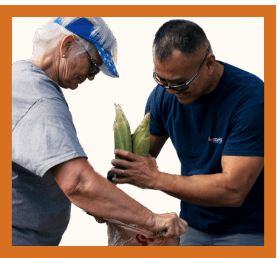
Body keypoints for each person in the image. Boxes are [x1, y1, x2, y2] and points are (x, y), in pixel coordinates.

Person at [12, 17, 188, 246]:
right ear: (66, 46)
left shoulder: (17, 77)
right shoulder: (40, 99)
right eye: (94, 64)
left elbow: (49, 169)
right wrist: (152, 219)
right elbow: (78, 182)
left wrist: (102, 200)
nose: (92, 76)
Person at [111, 19, 264, 246]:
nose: (171, 92)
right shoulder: (163, 96)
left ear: (209, 63)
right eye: (161, 80)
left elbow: (233, 191)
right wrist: (103, 193)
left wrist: (155, 179)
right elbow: (138, 162)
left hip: (248, 229)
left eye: (180, 84)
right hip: (191, 224)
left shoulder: (252, 100)